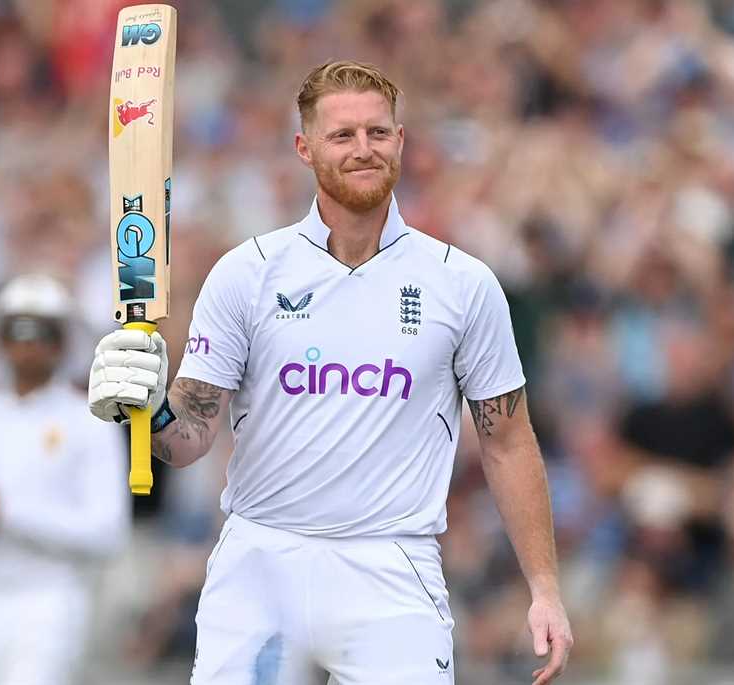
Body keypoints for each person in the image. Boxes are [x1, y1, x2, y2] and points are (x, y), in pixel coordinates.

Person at [89, 60, 573, 684]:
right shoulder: (249, 273)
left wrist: (545, 587)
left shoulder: (462, 284)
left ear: (400, 140)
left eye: (377, 133)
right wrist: (147, 406)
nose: (363, 149)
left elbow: (508, 442)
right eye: (342, 135)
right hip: (261, 561)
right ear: (305, 147)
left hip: (392, 567)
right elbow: (188, 439)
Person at [0, 273, 128, 685]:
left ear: (63, 341)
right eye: (16, 331)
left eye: (41, 333)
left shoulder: (90, 422)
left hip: (50, 601)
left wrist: (7, 514)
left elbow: (108, 531)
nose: (27, 345)